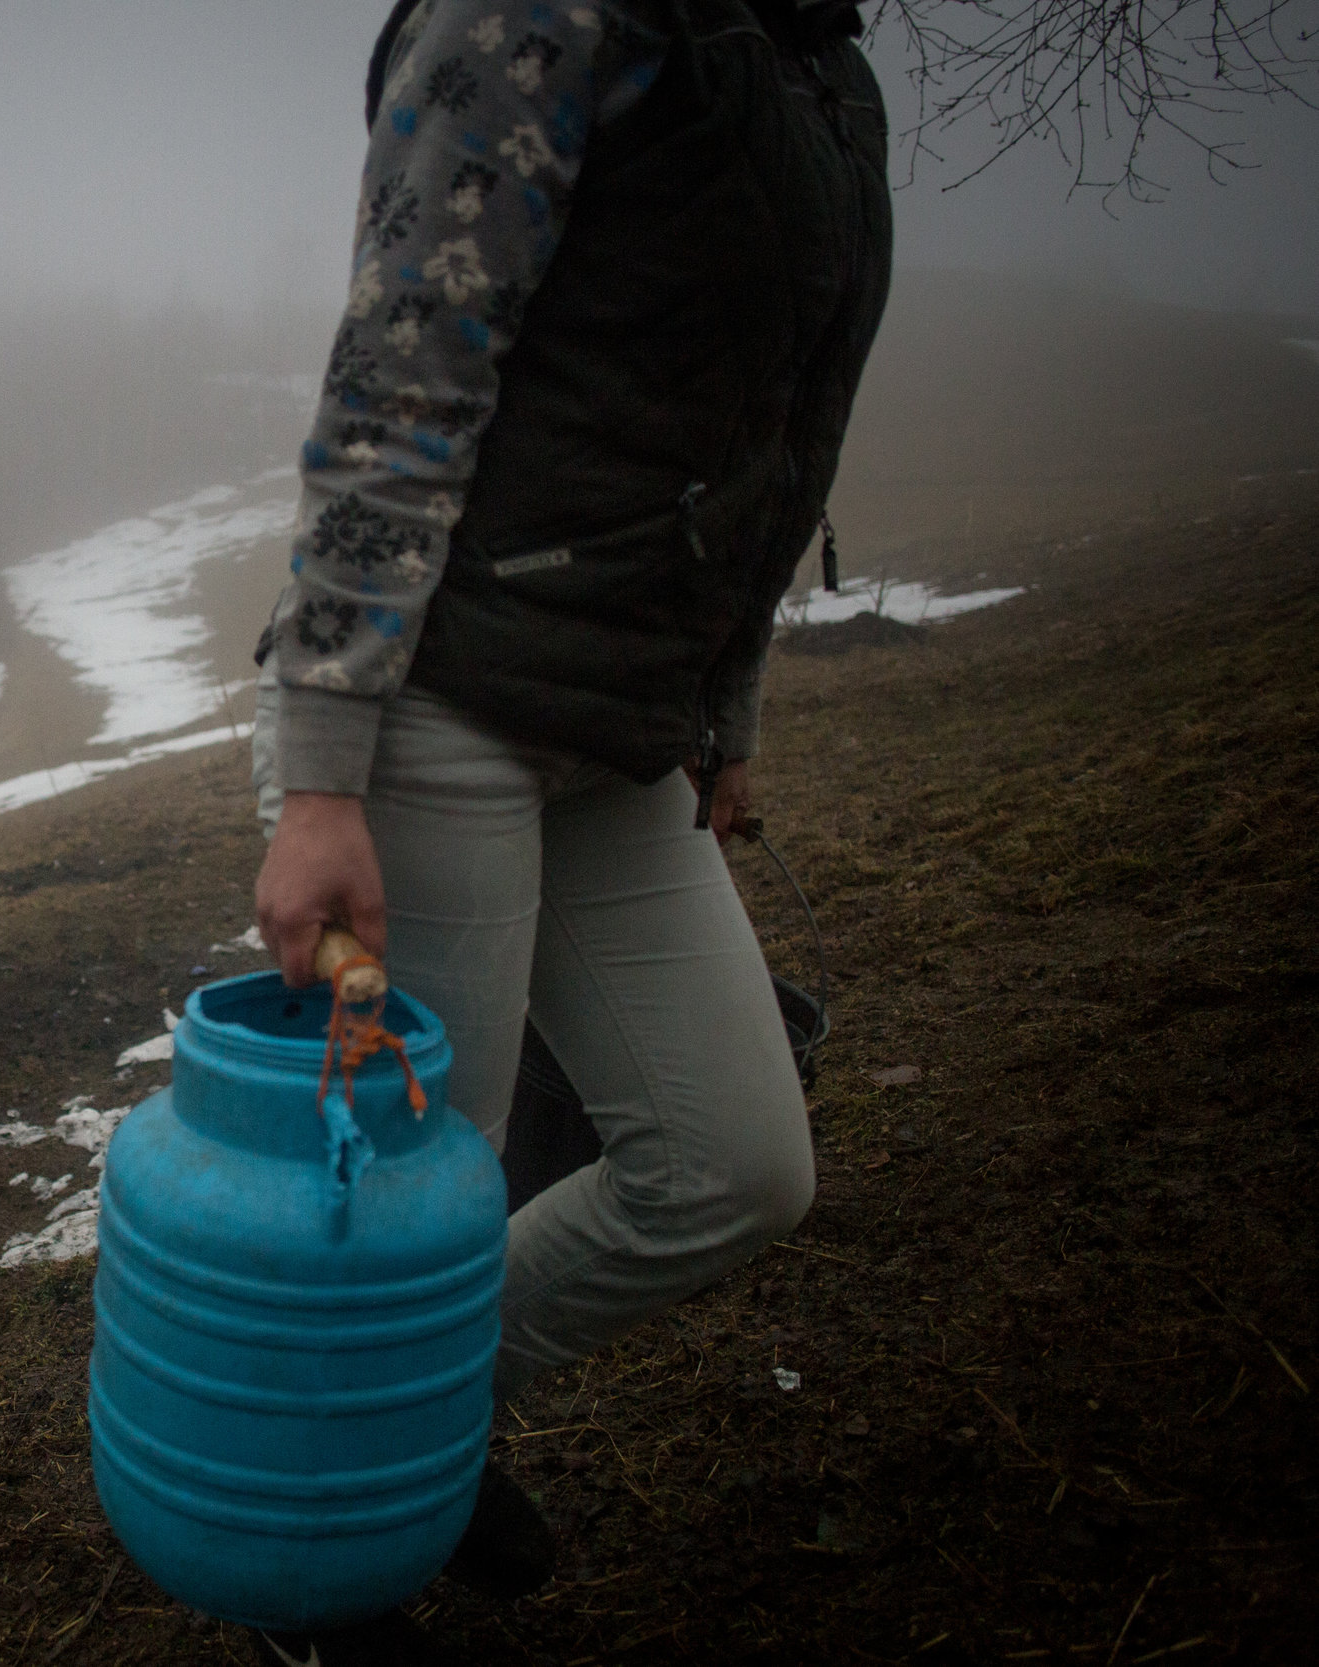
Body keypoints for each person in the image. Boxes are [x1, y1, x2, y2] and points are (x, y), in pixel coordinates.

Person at [249, 0, 891, 1659]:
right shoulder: (539, 16)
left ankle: (414, 1427)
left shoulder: (822, 72)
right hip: (443, 700)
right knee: (402, 1204)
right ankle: (320, 1585)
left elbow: (781, 429)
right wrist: (319, 773)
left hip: (622, 724)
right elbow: (403, 361)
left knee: (735, 1161)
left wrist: (723, 701)